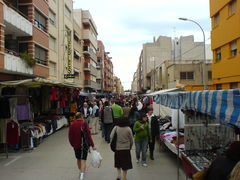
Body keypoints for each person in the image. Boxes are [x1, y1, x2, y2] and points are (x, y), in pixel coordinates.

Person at [68, 112, 96, 180]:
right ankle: (82, 175)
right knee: (83, 160)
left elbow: (70, 136)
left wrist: (73, 144)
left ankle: (81, 172)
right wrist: (93, 145)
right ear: (81, 117)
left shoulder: (72, 125)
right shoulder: (84, 124)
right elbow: (89, 135)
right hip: (84, 145)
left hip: (76, 146)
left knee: (78, 159)